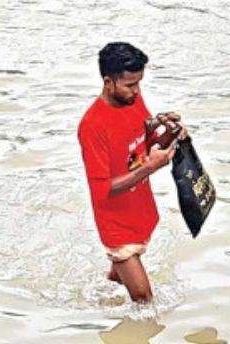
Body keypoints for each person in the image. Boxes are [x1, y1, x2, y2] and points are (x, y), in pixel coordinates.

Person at [78, 41, 184, 305]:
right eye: (130, 85)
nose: (137, 92)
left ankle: (102, 297)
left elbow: (143, 136)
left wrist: (168, 132)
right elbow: (102, 189)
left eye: (139, 83)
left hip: (140, 208)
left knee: (119, 277)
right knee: (144, 298)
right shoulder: (92, 126)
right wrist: (151, 166)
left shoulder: (133, 100)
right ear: (108, 82)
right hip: (116, 223)